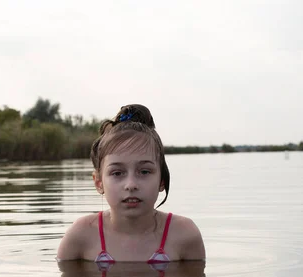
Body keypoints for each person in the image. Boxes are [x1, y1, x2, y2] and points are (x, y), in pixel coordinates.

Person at [57, 104, 205, 263]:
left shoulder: (184, 235)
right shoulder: (81, 236)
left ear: (162, 180)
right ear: (99, 182)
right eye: (117, 173)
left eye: (144, 172)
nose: (131, 184)